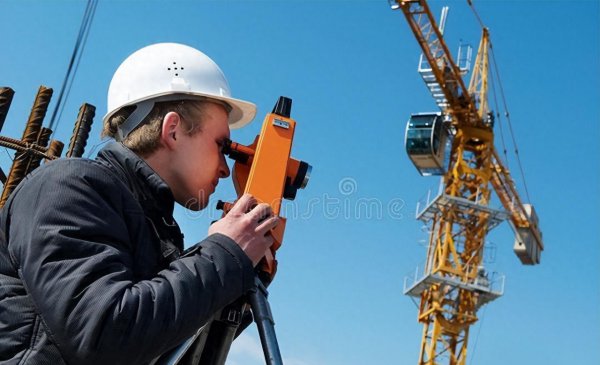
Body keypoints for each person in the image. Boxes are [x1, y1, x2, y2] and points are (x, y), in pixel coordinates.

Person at [0, 42, 278, 364]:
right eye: (221, 145)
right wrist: (224, 254)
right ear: (173, 130)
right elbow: (102, 334)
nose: (225, 167)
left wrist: (236, 278)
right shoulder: (68, 187)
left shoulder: (151, 228)